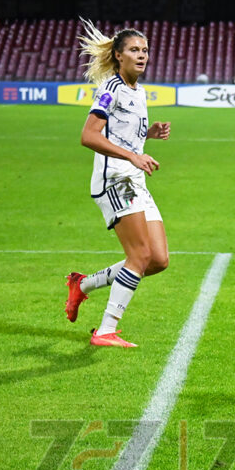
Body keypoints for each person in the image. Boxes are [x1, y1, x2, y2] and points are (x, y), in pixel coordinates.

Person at [64, 19, 171, 348]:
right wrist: (132, 156)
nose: (142, 55)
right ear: (118, 55)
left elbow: (124, 133)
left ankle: (82, 285)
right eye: (134, 50)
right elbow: (89, 136)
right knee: (138, 257)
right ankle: (106, 330)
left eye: (145, 50)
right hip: (114, 180)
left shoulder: (137, 91)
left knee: (158, 260)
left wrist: (147, 135)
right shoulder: (111, 89)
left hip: (133, 179)